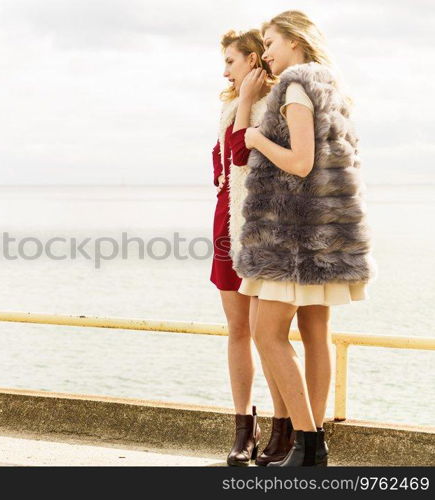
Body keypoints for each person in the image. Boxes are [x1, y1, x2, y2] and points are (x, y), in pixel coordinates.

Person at [236, 11, 374, 466]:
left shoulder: (295, 88)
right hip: (326, 237)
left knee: (266, 332)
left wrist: (255, 137)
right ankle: (306, 448)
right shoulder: (333, 89)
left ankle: (309, 441)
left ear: (295, 41)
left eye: (271, 42)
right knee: (316, 333)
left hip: (290, 237)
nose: (267, 51)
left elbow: (299, 162)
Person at [211, 29, 290, 466]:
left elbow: (243, 155)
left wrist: (245, 102)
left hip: (260, 227)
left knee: (268, 334)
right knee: (237, 330)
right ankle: (244, 426)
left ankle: (284, 425)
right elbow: (221, 163)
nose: (224, 70)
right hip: (225, 222)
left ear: (254, 60)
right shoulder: (227, 106)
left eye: (230, 61)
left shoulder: (275, 103)